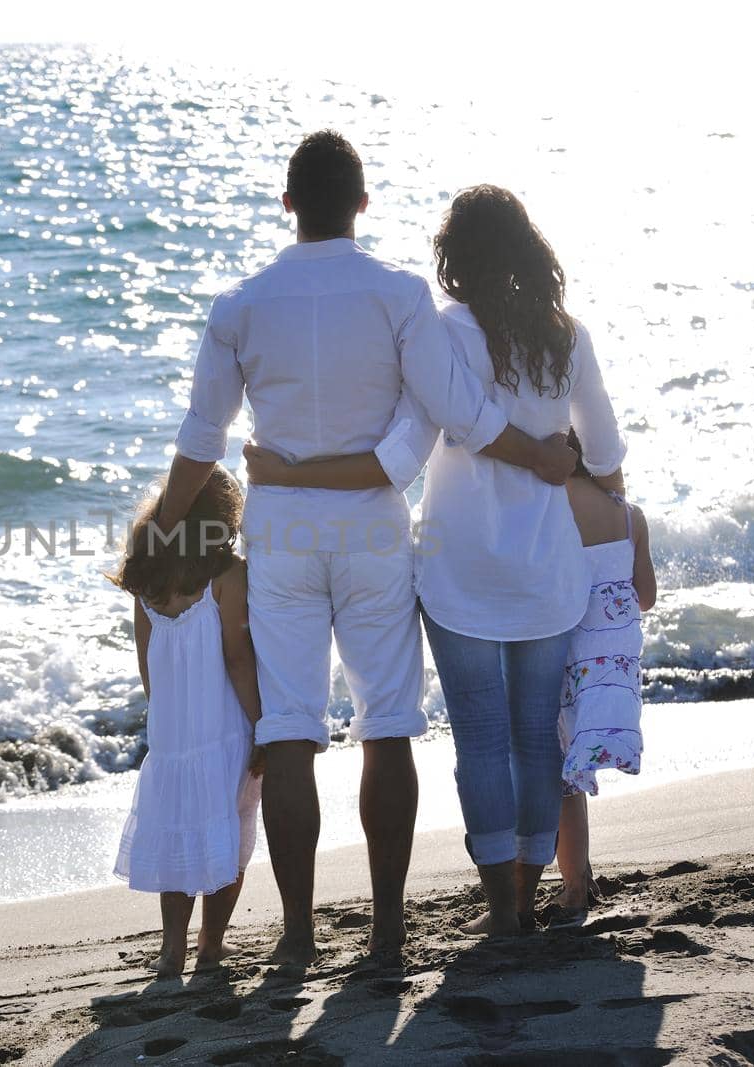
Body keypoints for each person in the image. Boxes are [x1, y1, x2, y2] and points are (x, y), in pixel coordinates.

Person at [155, 133, 576, 965]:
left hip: (281, 529)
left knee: (288, 731)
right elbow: (451, 411)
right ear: (362, 203)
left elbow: (201, 438)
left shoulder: (240, 303)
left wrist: (166, 534)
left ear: (287, 204)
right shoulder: (399, 294)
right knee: (386, 725)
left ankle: (303, 935)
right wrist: (536, 456)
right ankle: (386, 930)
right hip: (374, 526)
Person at [242, 184, 626, 936]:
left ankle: (500, 906)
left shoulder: (443, 332)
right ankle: (527, 884)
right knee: (533, 735)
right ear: (528, 247)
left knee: (481, 738)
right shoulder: (566, 336)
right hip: (547, 572)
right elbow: (605, 453)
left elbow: (411, 441)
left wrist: (296, 474)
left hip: (459, 574)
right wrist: (604, 508)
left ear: (455, 255)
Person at [111, 465, 264, 977]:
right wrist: (260, 721)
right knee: (230, 830)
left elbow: (146, 661)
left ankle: (171, 948)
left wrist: (166, 720)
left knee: (180, 831)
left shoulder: (148, 578)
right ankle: (212, 945)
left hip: (174, 735)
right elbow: (238, 658)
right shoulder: (228, 577)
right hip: (225, 727)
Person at [551, 433, 656, 927]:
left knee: (561, 773)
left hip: (565, 653)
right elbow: (647, 596)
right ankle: (583, 873)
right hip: (612, 667)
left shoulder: (548, 507)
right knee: (577, 766)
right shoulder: (630, 514)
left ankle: (573, 886)